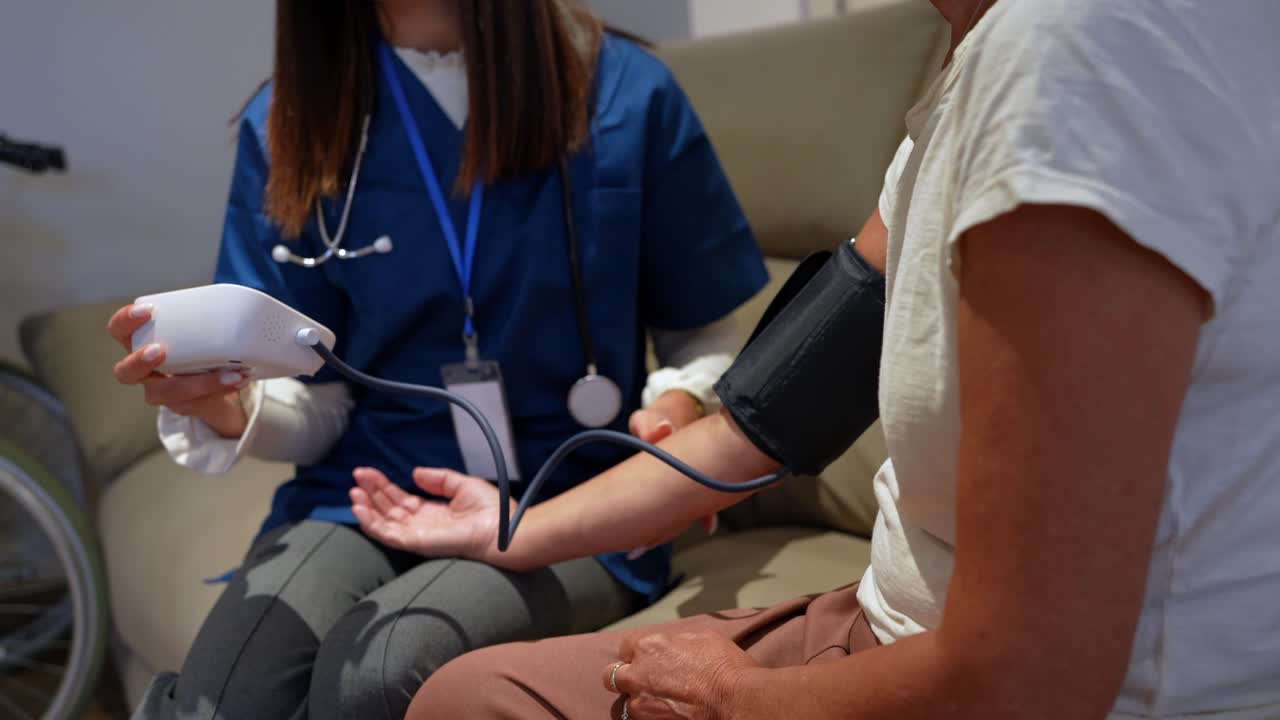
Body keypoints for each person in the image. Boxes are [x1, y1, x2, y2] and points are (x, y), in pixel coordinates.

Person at [350, 0, 1280, 718]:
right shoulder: (979, 73)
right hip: (899, 635)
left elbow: (1032, 674)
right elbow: (768, 416)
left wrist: (740, 696)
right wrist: (516, 526)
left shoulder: (1080, 56)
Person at [105, 1, 767, 718]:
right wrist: (231, 412)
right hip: (368, 491)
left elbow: (704, 336)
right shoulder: (297, 119)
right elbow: (323, 401)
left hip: (571, 500)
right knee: (222, 698)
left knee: (381, 673)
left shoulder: (625, 95)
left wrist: (682, 405)